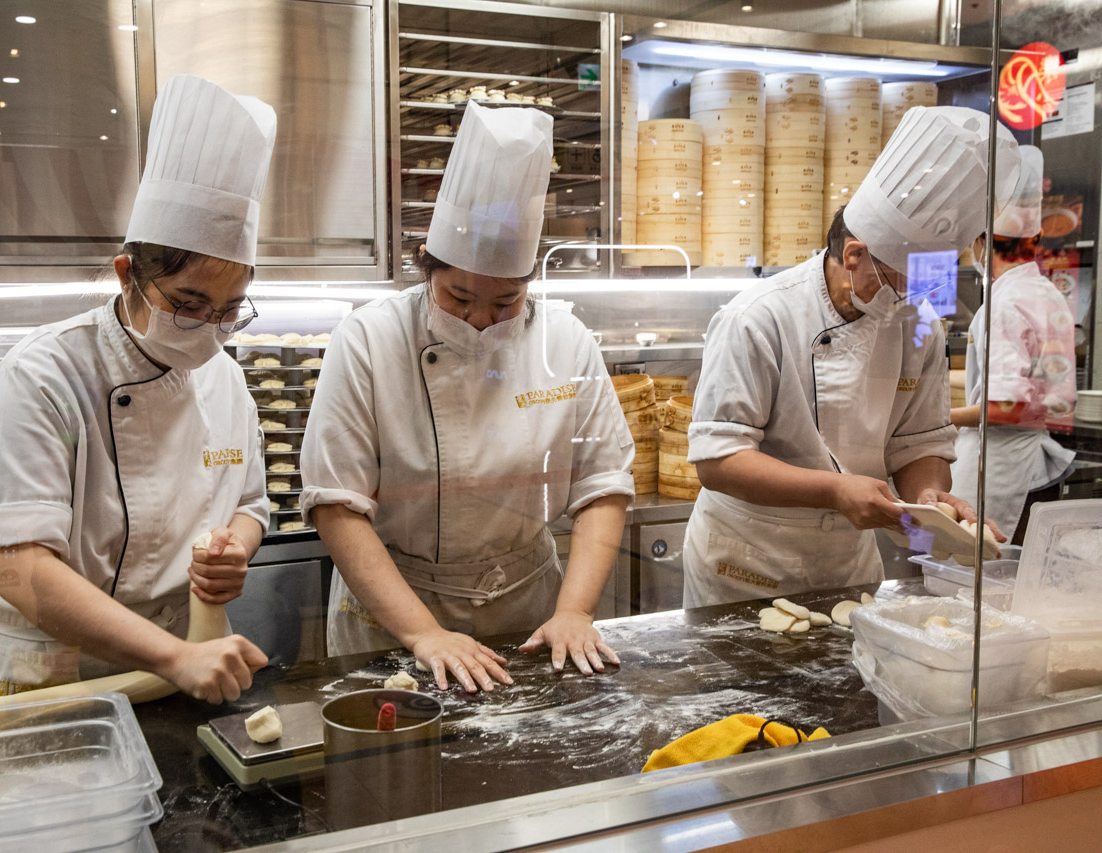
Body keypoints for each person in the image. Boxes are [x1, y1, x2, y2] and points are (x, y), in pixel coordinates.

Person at [301, 101, 635, 692]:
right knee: (391, 776)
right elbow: (336, 503)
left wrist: (575, 612)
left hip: (529, 616)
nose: (481, 319)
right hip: (392, 619)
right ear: (426, 268)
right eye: (458, 298)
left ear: (529, 283)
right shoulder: (370, 340)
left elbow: (602, 485)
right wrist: (424, 634)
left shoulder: (565, 338)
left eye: (505, 302)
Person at [0, 75, 276, 704]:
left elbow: (249, 502)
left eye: (229, 309)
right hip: (48, 674)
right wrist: (175, 657)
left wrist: (233, 549)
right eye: (190, 304)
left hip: (181, 660)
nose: (209, 330)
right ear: (128, 274)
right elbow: (18, 570)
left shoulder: (225, 374)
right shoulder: (45, 375)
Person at [682, 106, 1020, 608]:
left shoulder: (918, 324)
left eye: (925, 283)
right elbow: (718, 461)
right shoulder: (759, 317)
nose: (912, 298)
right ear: (855, 254)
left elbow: (918, 441)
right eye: (900, 280)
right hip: (748, 560)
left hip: (848, 561)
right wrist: (834, 492)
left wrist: (927, 499)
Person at [951, 145, 1076, 542]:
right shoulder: (1046, 292)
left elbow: (1007, 406)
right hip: (1029, 457)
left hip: (1000, 465)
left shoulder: (1004, 303)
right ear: (1035, 239)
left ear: (983, 242)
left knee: (974, 575)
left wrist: (942, 418)